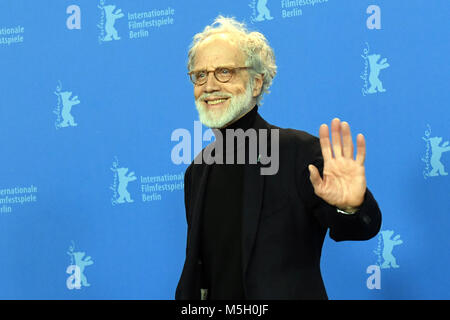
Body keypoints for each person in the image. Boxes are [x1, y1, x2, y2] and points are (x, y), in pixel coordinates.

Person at [175, 16, 382, 300]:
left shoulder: (298, 152)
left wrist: (351, 207)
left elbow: (358, 228)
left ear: (256, 83)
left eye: (224, 71)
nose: (209, 85)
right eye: (200, 75)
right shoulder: (197, 170)